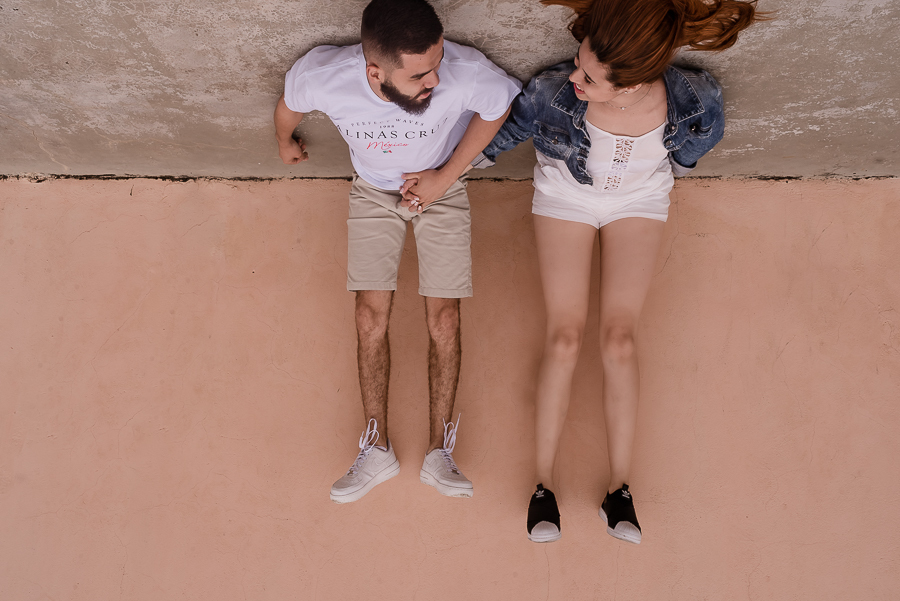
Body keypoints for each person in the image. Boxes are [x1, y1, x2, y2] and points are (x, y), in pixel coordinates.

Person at [473, 0, 764, 542]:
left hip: (639, 201)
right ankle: (543, 487)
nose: (575, 79)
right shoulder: (554, 90)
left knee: (620, 340)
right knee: (565, 337)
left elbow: (696, 144)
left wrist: (668, 171)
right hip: (566, 196)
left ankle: (620, 491)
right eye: (579, 64)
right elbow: (498, 139)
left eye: (589, 78)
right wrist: (437, 171)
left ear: (631, 83)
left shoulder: (695, 97)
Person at [274, 0, 521, 503]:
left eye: (437, 63)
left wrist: (443, 177)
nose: (435, 80)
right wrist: (284, 141)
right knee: (369, 316)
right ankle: (375, 450)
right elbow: (288, 105)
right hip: (373, 192)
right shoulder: (324, 76)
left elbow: (498, 108)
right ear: (374, 72)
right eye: (419, 76)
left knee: (444, 319)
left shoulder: (465, 71)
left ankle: (440, 453)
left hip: (442, 189)